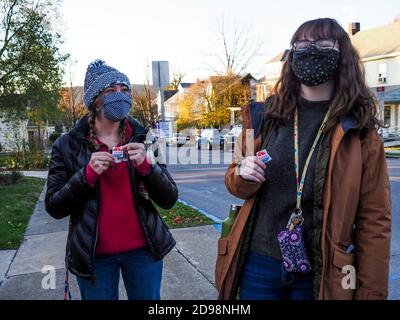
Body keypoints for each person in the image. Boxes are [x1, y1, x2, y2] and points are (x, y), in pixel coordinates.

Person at [216, 18, 391, 300]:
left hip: (320, 272)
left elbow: (374, 220)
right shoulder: (261, 117)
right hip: (259, 264)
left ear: (341, 55)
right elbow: (233, 179)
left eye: (323, 44)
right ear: (292, 53)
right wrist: (242, 175)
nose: (311, 50)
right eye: (302, 44)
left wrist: (370, 293)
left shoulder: (360, 130)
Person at [45, 60, 178, 300]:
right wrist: (87, 175)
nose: (120, 96)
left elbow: (169, 198)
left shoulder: (145, 138)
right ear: (95, 101)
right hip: (94, 256)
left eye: (125, 90)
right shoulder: (67, 145)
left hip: (143, 253)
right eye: (110, 91)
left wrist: (148, 167)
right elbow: (54, 206)